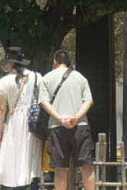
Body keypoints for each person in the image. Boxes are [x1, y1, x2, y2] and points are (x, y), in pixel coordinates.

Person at [39, 50, 94, 190]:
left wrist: (59, 118)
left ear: (55, 61)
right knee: (86, 166)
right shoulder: (80, 77)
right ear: (70, 62)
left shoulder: (46, 78)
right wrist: (76, 117)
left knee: (60, 168)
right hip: (80, 125)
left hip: (56, 127)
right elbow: (89, 101)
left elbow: (44, 102)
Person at [0, 47, 43, 190]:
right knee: (30, 154)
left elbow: (2, 109)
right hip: (33, 121)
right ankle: (30, 184)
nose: (5, 65)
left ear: (12, 63)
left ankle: (13, 184)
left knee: (13, 155)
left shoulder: (6, 80)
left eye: (6, 62)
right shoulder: (37, 77)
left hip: (15, 121)